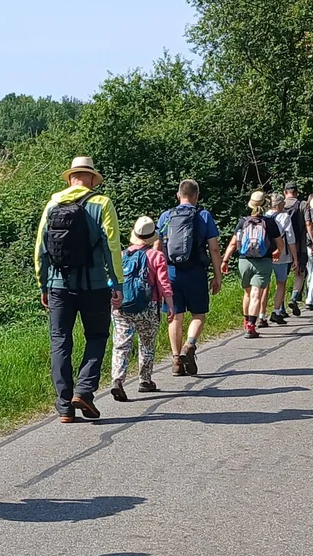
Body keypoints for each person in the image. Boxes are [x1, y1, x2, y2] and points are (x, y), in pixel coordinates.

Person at [35, 156, 121, 422]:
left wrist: (43, 284)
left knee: (60, 341)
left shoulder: (53, 204)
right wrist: (116, 283)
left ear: (71, 178)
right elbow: (112, 246)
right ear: (92, 179)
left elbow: (41, 249)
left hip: (58, 285)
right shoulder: (102, 203)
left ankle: (64, 407)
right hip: (95, 286)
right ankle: (84, 390)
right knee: (96, 336)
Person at [158, 178, 226, 378]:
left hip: (171, 273)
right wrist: (217, 276)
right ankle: (190, 345)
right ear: (197, 196)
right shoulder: (203, 215)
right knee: (198, 314)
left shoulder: (165, 216)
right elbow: (213, 248)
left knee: (175, 315)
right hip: (196, 271)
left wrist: (157, 277)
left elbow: (157, 247)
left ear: (178, 195)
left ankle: (176, 359)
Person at [108, 215, 173, 402]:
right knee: (147, 343)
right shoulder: (156, 256)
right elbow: (163, 283)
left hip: (122, 305)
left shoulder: (121, 255)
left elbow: (114, 281)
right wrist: (169, 305)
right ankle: (144, 380)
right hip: (148, 306)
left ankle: (117, 380)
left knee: (121, 345)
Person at [221, 191, 287, 339]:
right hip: (263, 262)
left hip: (244, 261)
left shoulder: (242, 221)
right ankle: (251, 326)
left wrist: (225, 261)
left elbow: (232, 244)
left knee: (247, 293)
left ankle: (246, 321)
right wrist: (277, 252)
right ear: (266, 204)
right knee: (257, 294)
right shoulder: (269, 222)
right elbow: (280, 244)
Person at [271, 185, 302, 321]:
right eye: (283, 203)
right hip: (282, 255)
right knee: (281, 283)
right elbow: (291, 239)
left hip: (264, 255)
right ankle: (277, 311)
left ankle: (260, 316)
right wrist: (295, 259)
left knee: (263, 286)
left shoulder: (264, 216)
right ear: (279, 204)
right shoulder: (284, 217)